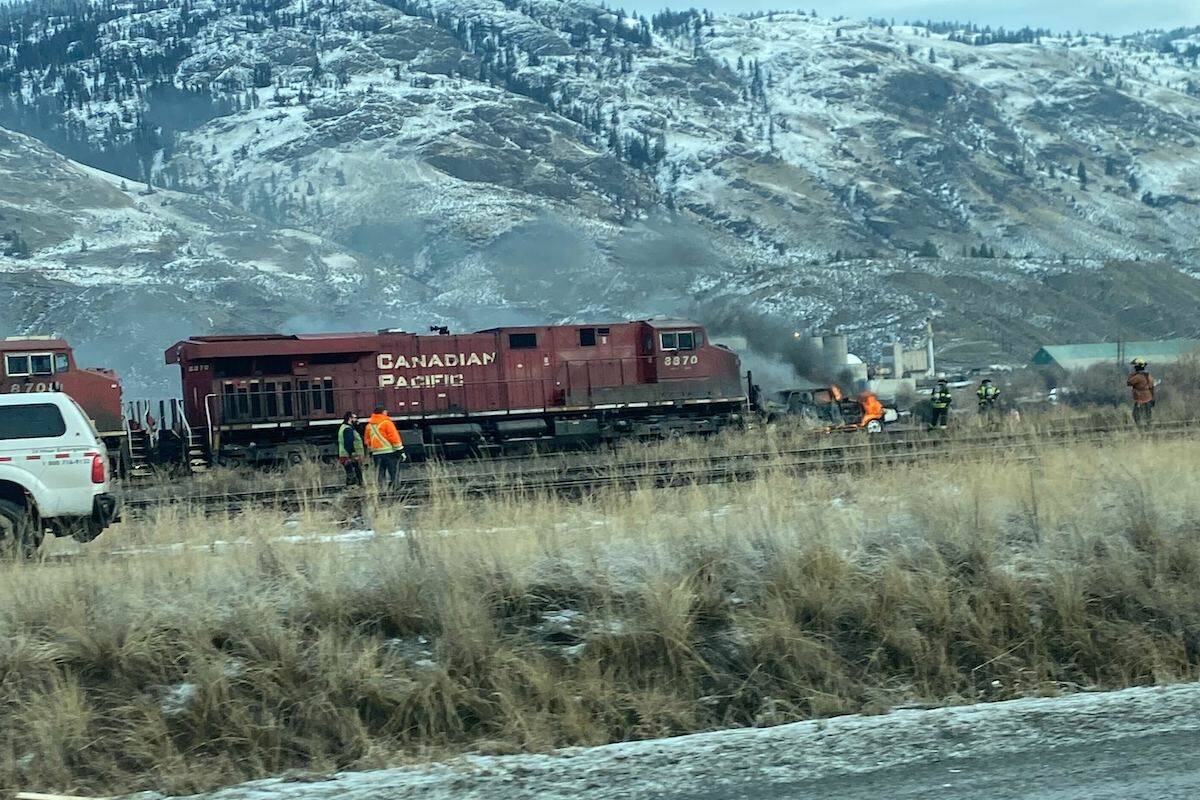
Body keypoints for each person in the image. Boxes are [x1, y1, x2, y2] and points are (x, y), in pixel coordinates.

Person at [364, 404, 405, 488]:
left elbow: (367, 440)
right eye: (386, 412)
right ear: (383, 412)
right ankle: (395, 489)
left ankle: (381, 490)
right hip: (389, 452)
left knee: (380, 473)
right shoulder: (387, 423)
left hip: (376, 454)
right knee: (394, 472)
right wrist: (400, 451)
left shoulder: (369, 426)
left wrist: (373, 449)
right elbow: (394, 438)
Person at [337, 411, 365, 486]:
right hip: (348, 456)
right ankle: (353, 489)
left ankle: (354, 488)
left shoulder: (348, 427)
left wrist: (358, 425)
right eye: (355, 418)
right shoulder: (347, 429)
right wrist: (353, 454)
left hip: (347, 455)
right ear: (350, 418)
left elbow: (361, 431)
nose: (357, 420)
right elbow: (348, 443)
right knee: (353, 474)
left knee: (353, 473)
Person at [1127, 358, 1155, 430]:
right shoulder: (1149, 376)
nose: (1134, 367)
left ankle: (1140, 429)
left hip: (1140, 399)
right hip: (1149, 398)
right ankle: (1149, 428)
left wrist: (1132, 374)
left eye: (1135, 366)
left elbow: (1129, 382)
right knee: (1148, 414)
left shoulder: (1138, 376)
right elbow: (1152, 386)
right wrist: (1153, 398)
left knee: (1136, 415)